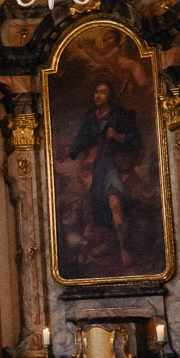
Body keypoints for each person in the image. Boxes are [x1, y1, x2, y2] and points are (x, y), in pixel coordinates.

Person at [66, 79, 142, 270]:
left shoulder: (119, 116)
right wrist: (71, 152)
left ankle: (125, 249)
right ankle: (109, 244)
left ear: (110, 96)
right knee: (97, 207)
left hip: (115, 166)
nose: (98, 95)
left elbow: (135, 140)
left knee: (115, 205)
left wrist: (119, 136)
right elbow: (82, 140)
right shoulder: (92, 118)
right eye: (96, 92)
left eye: (103, 92)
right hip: (99, 166)